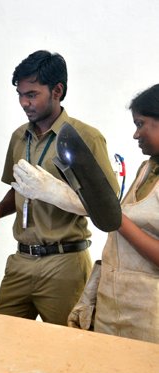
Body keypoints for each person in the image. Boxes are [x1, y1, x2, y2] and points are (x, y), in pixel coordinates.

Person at [0, 50, 119, 325]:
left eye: (32, 94)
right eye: (20, 95)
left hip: (64, 263)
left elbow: (109, 207)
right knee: (0, 337)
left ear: (57, 90)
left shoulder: (85, 138)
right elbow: (19, 188)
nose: (24, 102)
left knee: (69, 348)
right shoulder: (20, 136)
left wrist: (56, 191)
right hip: (22, 259)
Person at [68, 84, 159, 343]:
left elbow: (123, 224)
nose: (135, 134)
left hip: (150, 313)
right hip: (117, 302)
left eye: (141, 124)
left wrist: (116, 219)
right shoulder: (146, 168)